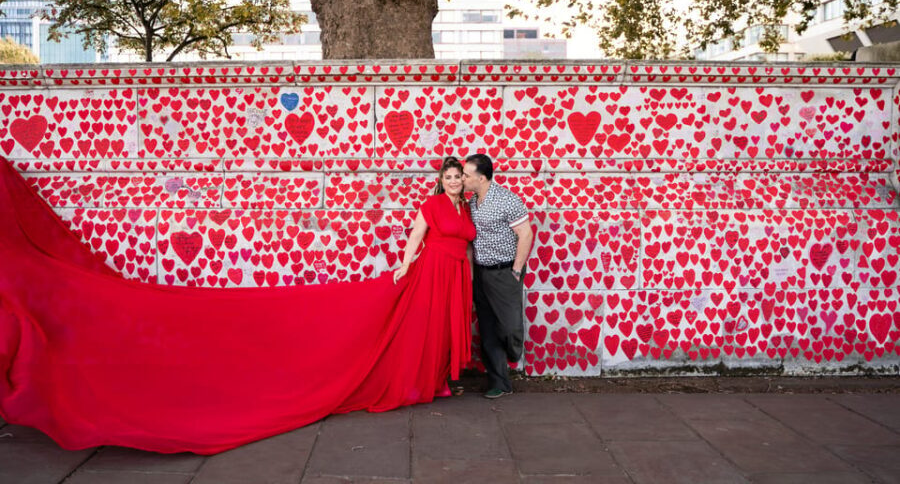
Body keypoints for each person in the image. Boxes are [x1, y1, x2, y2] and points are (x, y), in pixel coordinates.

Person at [0, 156, 475, 454]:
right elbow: (416, 236)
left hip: (456, 273)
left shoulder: (466, 207)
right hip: (431, 269)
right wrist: (403, 265)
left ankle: (436, 377)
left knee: (436, 326)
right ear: (441, 179)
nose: (454, 182)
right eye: (449, 177)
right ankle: (420, 378)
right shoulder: (434, 206)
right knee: (419, 324)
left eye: (459, 178)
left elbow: (469, 242)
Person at [462, 154, 534, 399]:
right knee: (488, 328)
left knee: (509, 326)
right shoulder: (472, 202)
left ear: (481, 178)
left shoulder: (507, 200)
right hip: (482, 273)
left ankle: (514, 353)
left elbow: (526, 234)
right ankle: (499, 382)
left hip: (505, 272)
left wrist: (516, 270)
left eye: (466, 175)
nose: (463, 178)